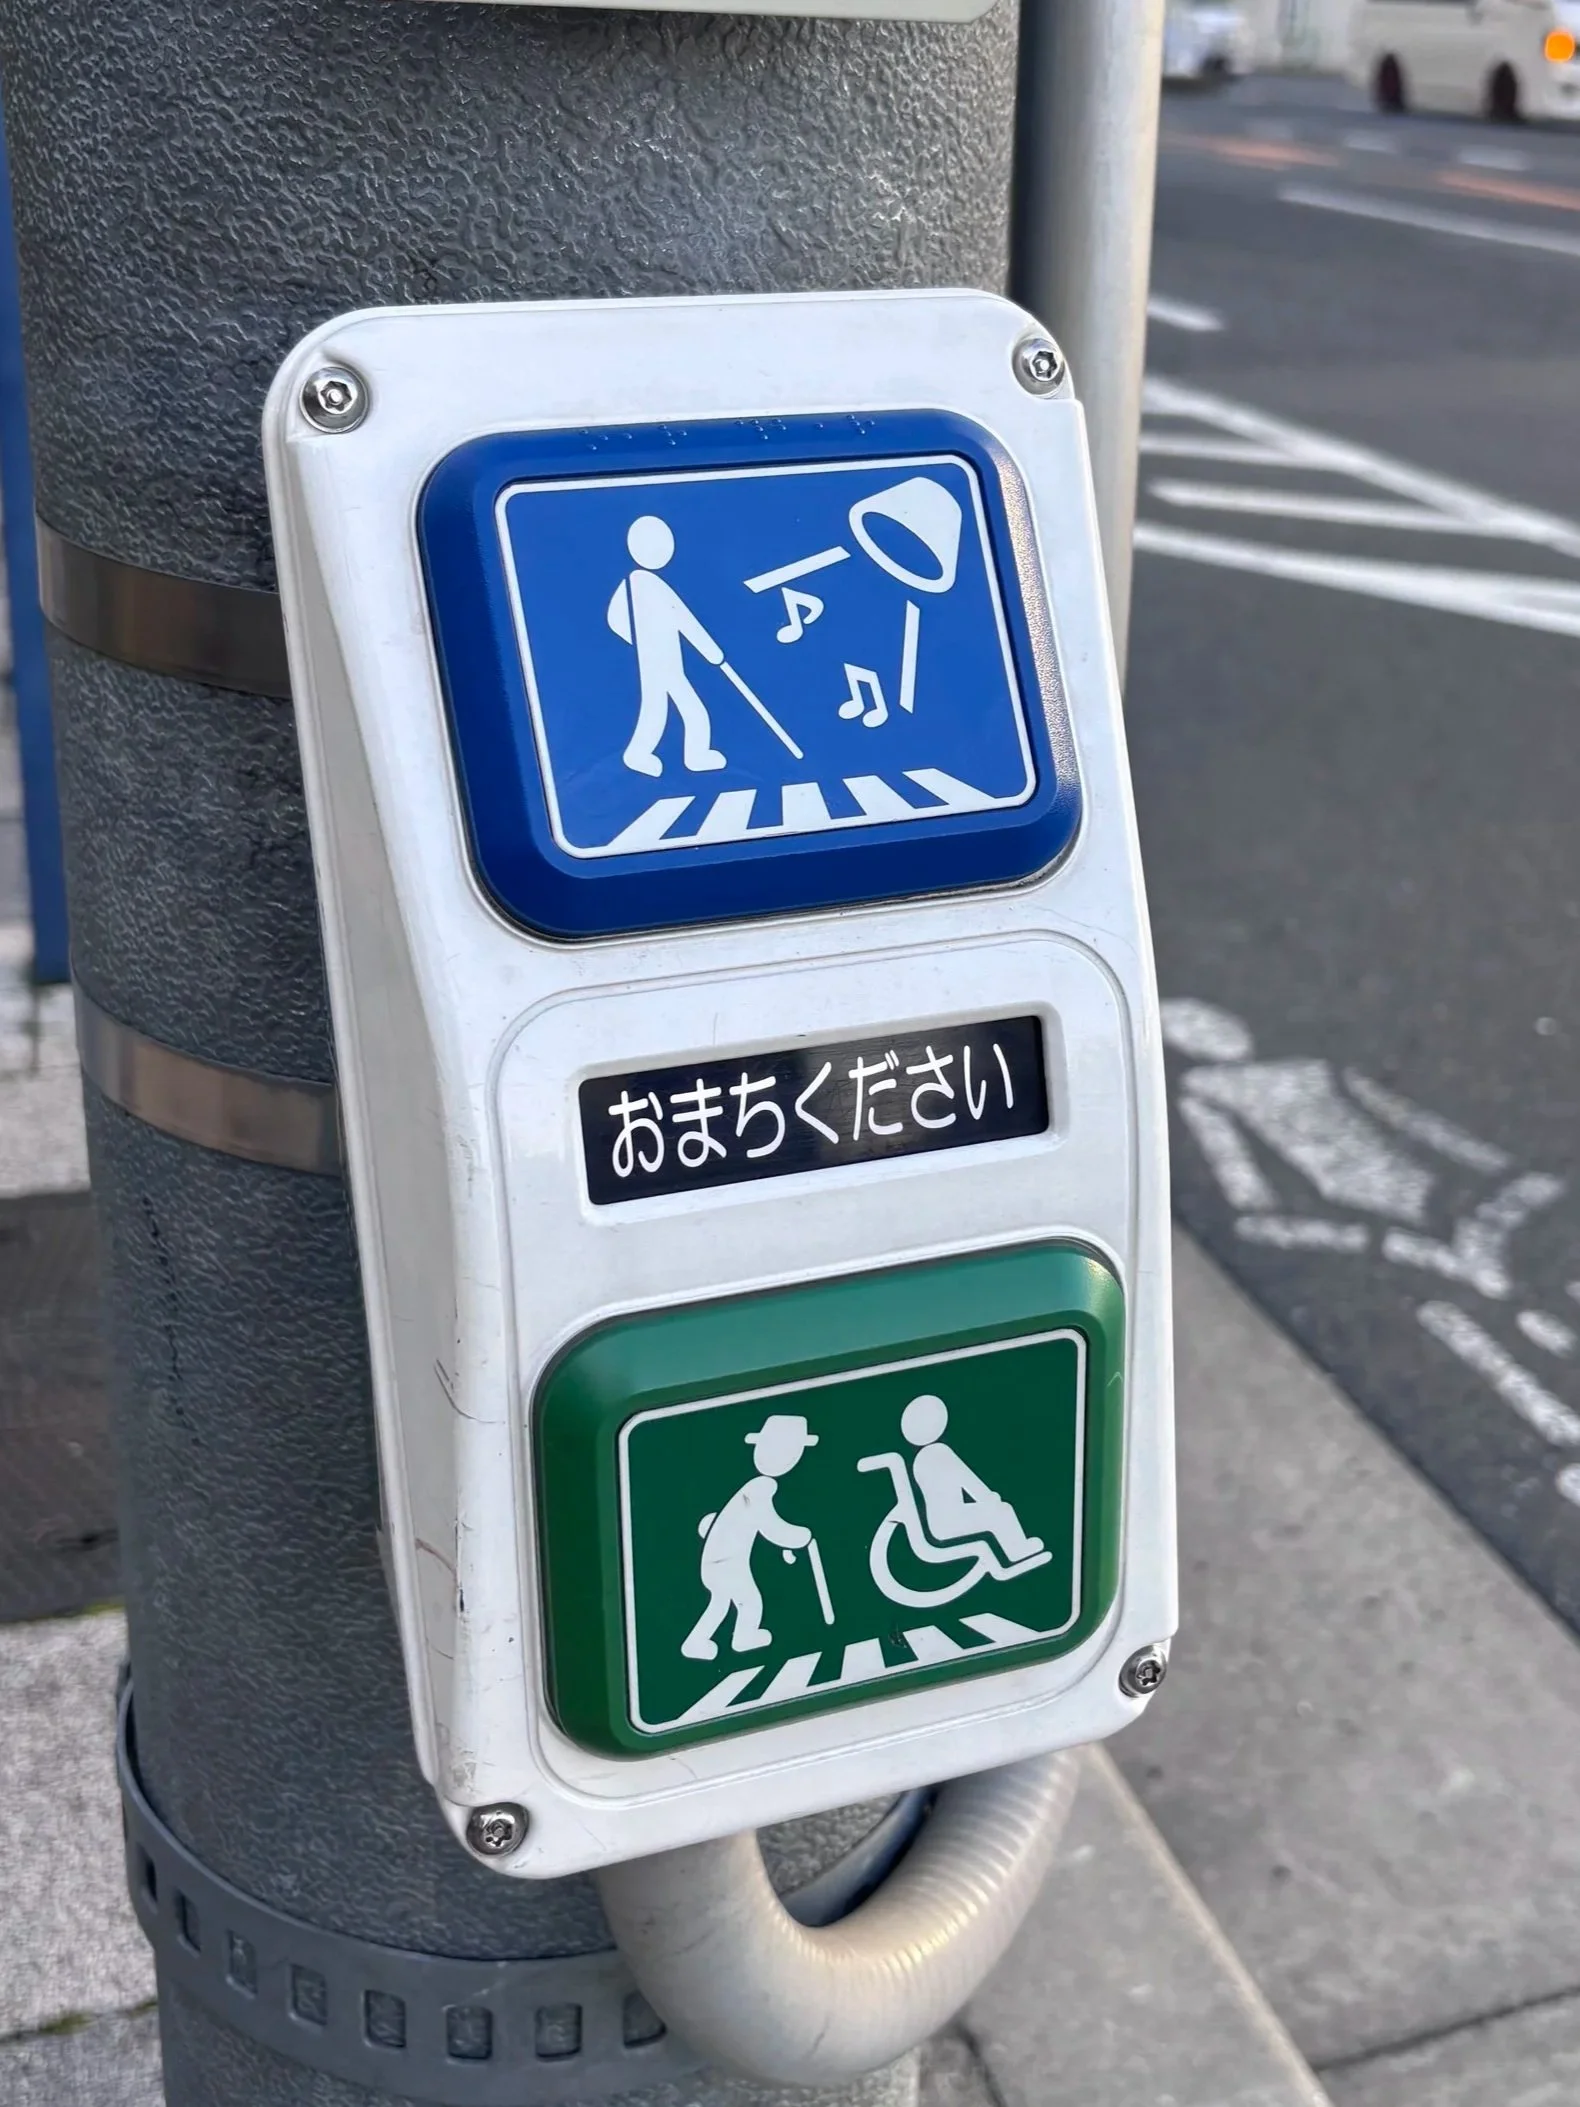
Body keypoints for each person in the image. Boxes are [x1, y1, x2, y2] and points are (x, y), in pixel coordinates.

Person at [682, 1413, 816, 1662]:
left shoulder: (750, 1487)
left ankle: (697, 1641)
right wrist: (797, 1537)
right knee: (749, 1600)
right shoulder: (761, 1487)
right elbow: (767, 1524)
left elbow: (714, 1521)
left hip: (715, 1559)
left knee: (720, 1604)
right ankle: (744, 1638)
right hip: (729, 1562)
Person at [607, 514, 728, 778]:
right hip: (657, 661)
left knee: (662, 707)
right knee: (677, 708)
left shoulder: (645, 583)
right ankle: (669, 754)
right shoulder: (643, 584)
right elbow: (685, 621)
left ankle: (656, 753)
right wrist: (641, 642)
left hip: (667, 660)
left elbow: (682, 620)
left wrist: (711, 653)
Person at [900, 1393, 1042, 1562]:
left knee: (996, 1512)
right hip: (953, 1519)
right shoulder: (940, 1452)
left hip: (939, 1522)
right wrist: (989, 1498)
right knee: (1003, 1511)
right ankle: (1018, 1551)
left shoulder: (919, 1460)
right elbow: (967, 1481)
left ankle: (1016, 1550)